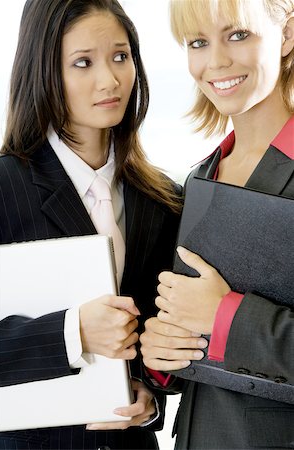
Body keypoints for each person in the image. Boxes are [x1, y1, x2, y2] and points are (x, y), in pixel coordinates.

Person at [0, 0, 183, 449]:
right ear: (43, 73)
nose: (110, 80)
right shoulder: (1, 189)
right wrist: (72, 331)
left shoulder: (164, 199)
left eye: (121, 56)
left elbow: (173, 342)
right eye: (83, 63)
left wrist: (150, 396)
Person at [140, 0, 294, 448]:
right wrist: (164, 356)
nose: (216, 61)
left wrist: (222, 315)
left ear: (286, 35)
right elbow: (209, 352)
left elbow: (219, 321)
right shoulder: (202, 176)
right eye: (198, 43)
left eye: (238, 35)